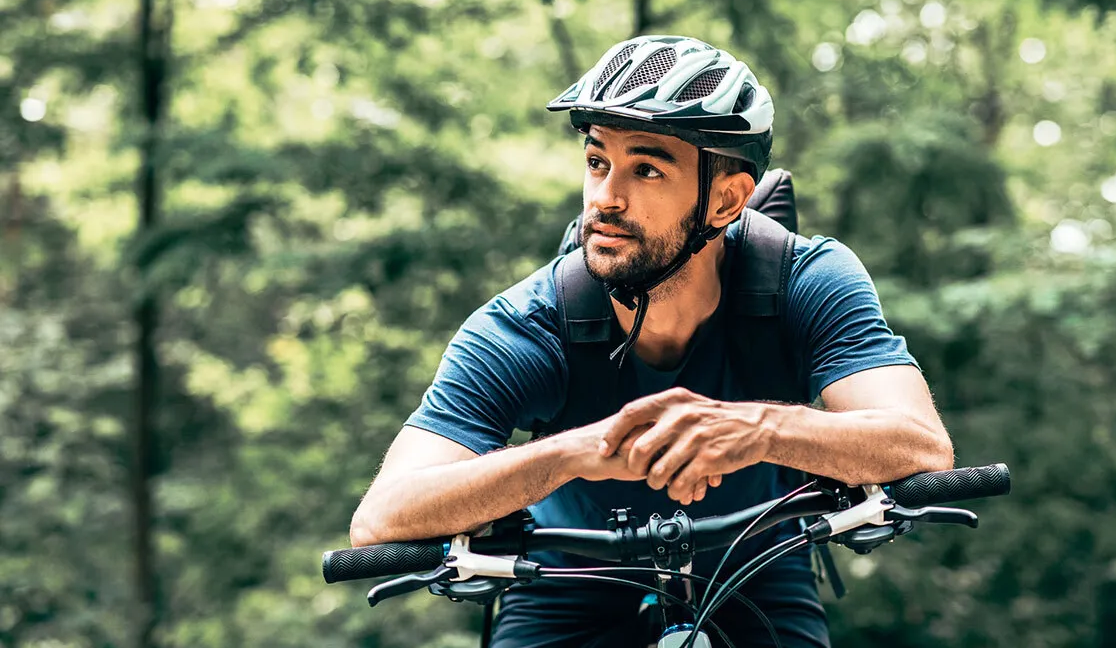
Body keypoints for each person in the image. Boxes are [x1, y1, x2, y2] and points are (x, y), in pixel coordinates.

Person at [349, 35, 954, 647]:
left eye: (646, 169)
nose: (606, 197)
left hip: (755, 565)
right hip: (565, 580)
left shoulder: (805, 282)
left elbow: (920, 444)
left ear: (726, 199)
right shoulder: (529, 324)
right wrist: (571, 453)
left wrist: (758, 430)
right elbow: (381, 516)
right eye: (596, 162)